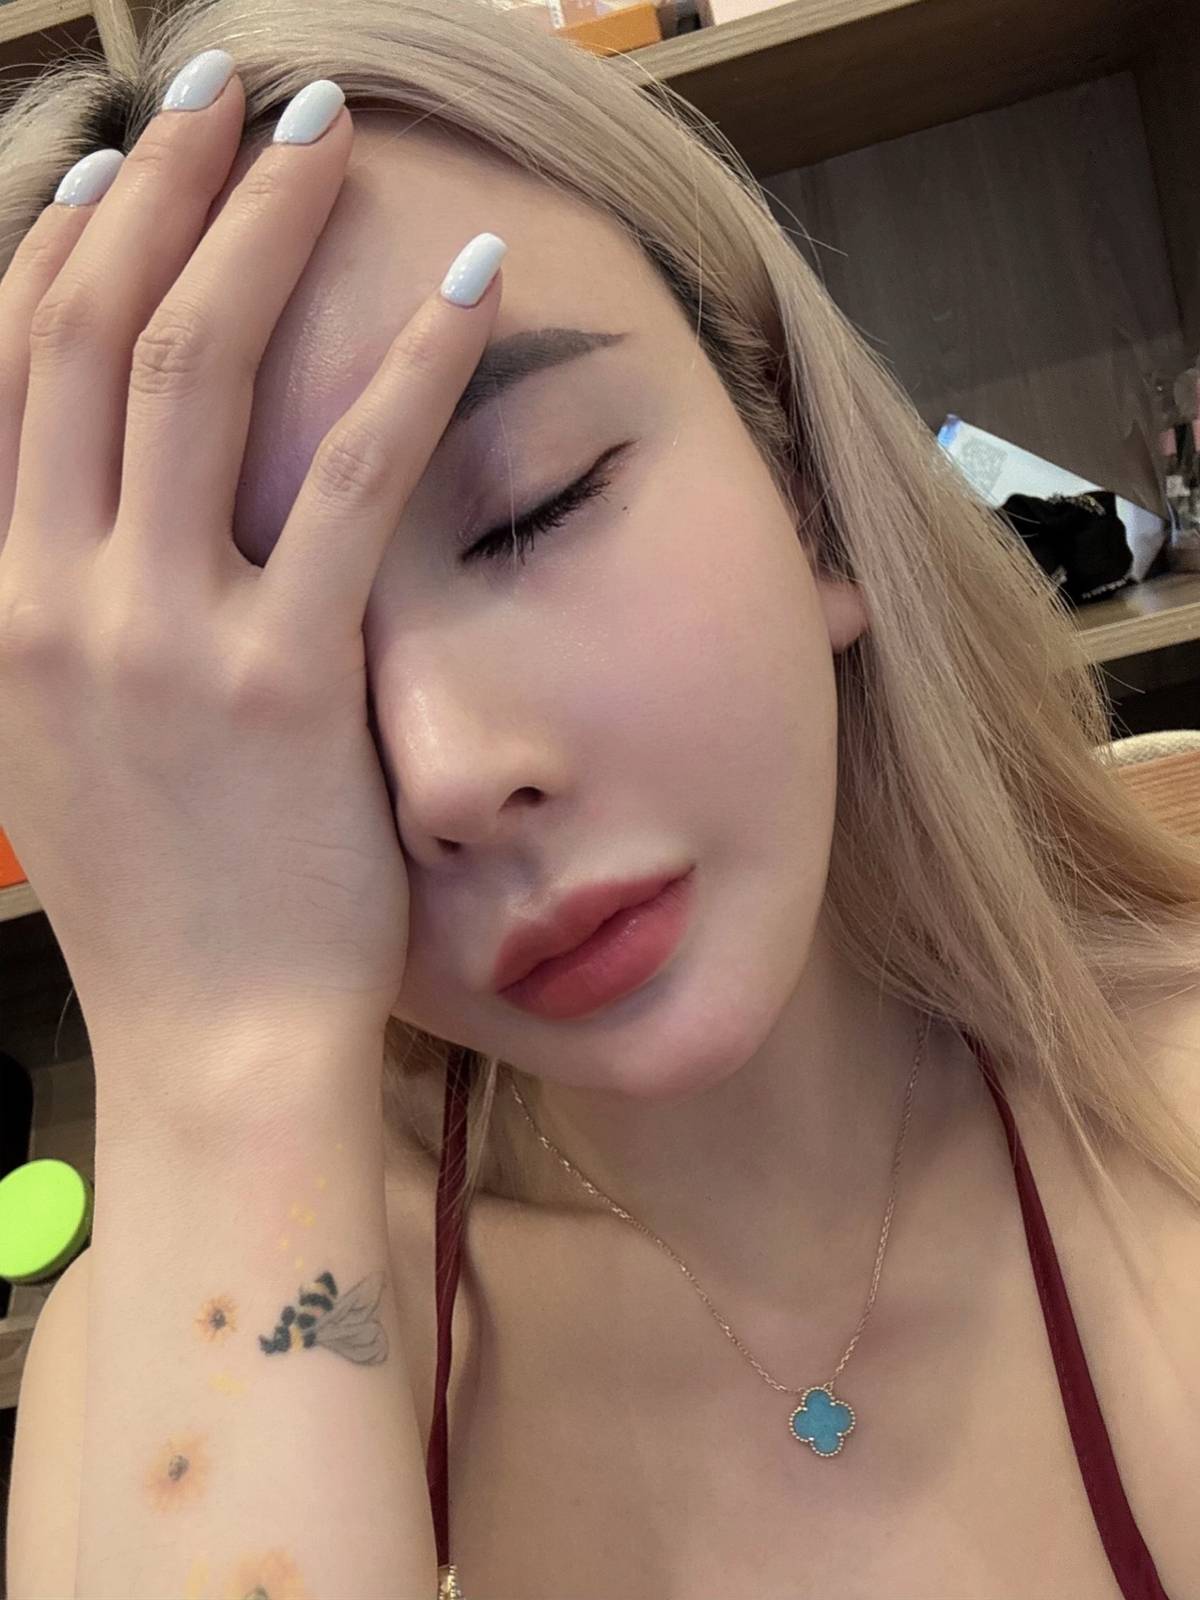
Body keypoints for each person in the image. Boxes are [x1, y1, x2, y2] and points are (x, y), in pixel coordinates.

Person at [4, 1, 1199, 1597]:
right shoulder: (145, 1348)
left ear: (804, 489)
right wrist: (219, 1067)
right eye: (268, 688)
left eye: (531, 507)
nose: (451, 772)